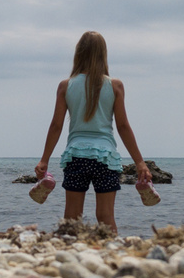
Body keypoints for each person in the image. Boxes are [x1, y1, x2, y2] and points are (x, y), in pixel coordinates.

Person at [34, 31, 151, 234]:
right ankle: (111, 255)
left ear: (78, 53)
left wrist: (44, 159)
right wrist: (140, 162)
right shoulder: (115, 86)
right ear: (103, 54)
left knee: (72, 216)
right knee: (105, 216)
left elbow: (56, 125)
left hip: (76, 156)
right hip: (105, 158)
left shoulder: (65, 86)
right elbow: (123, 127)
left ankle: (69, 253)